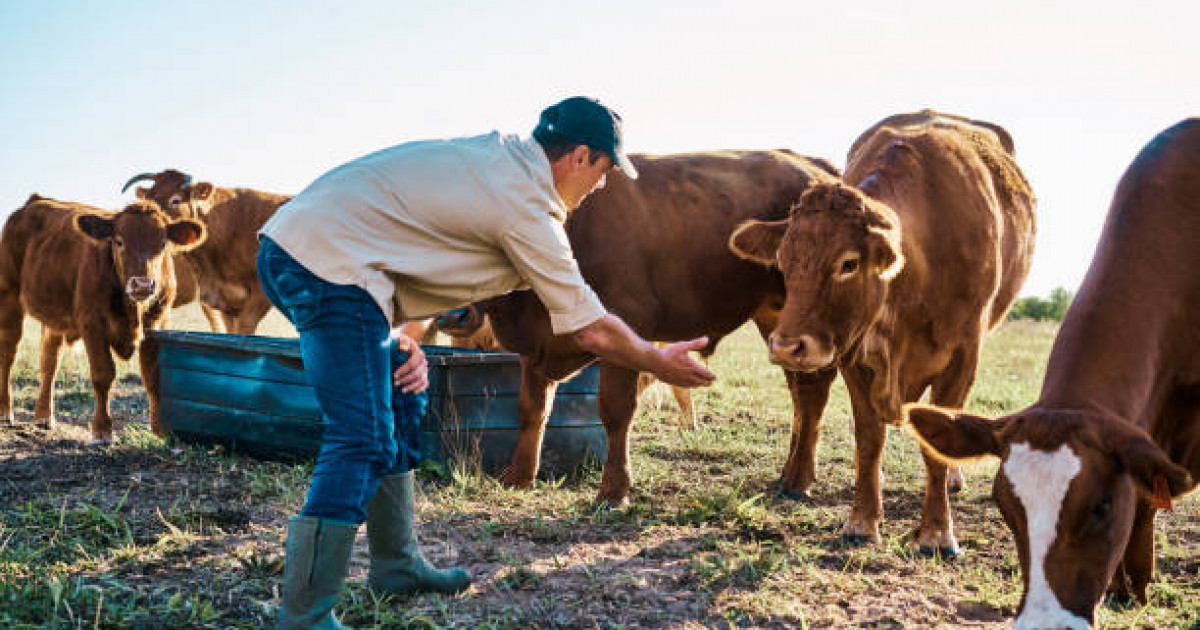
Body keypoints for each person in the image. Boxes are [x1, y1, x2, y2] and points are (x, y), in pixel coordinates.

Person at [257, 96, 716, 629]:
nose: (603, 183)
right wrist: (656, 359)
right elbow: (590, 327)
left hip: (333, 260)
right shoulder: (525, 202)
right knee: (361, 437)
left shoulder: (503, 164)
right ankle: (304, 615)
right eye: (606, 168)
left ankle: (395, 565)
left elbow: (408, 236)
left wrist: (398, 337)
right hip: (322, 264)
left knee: (402, 396)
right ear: (580, 157)